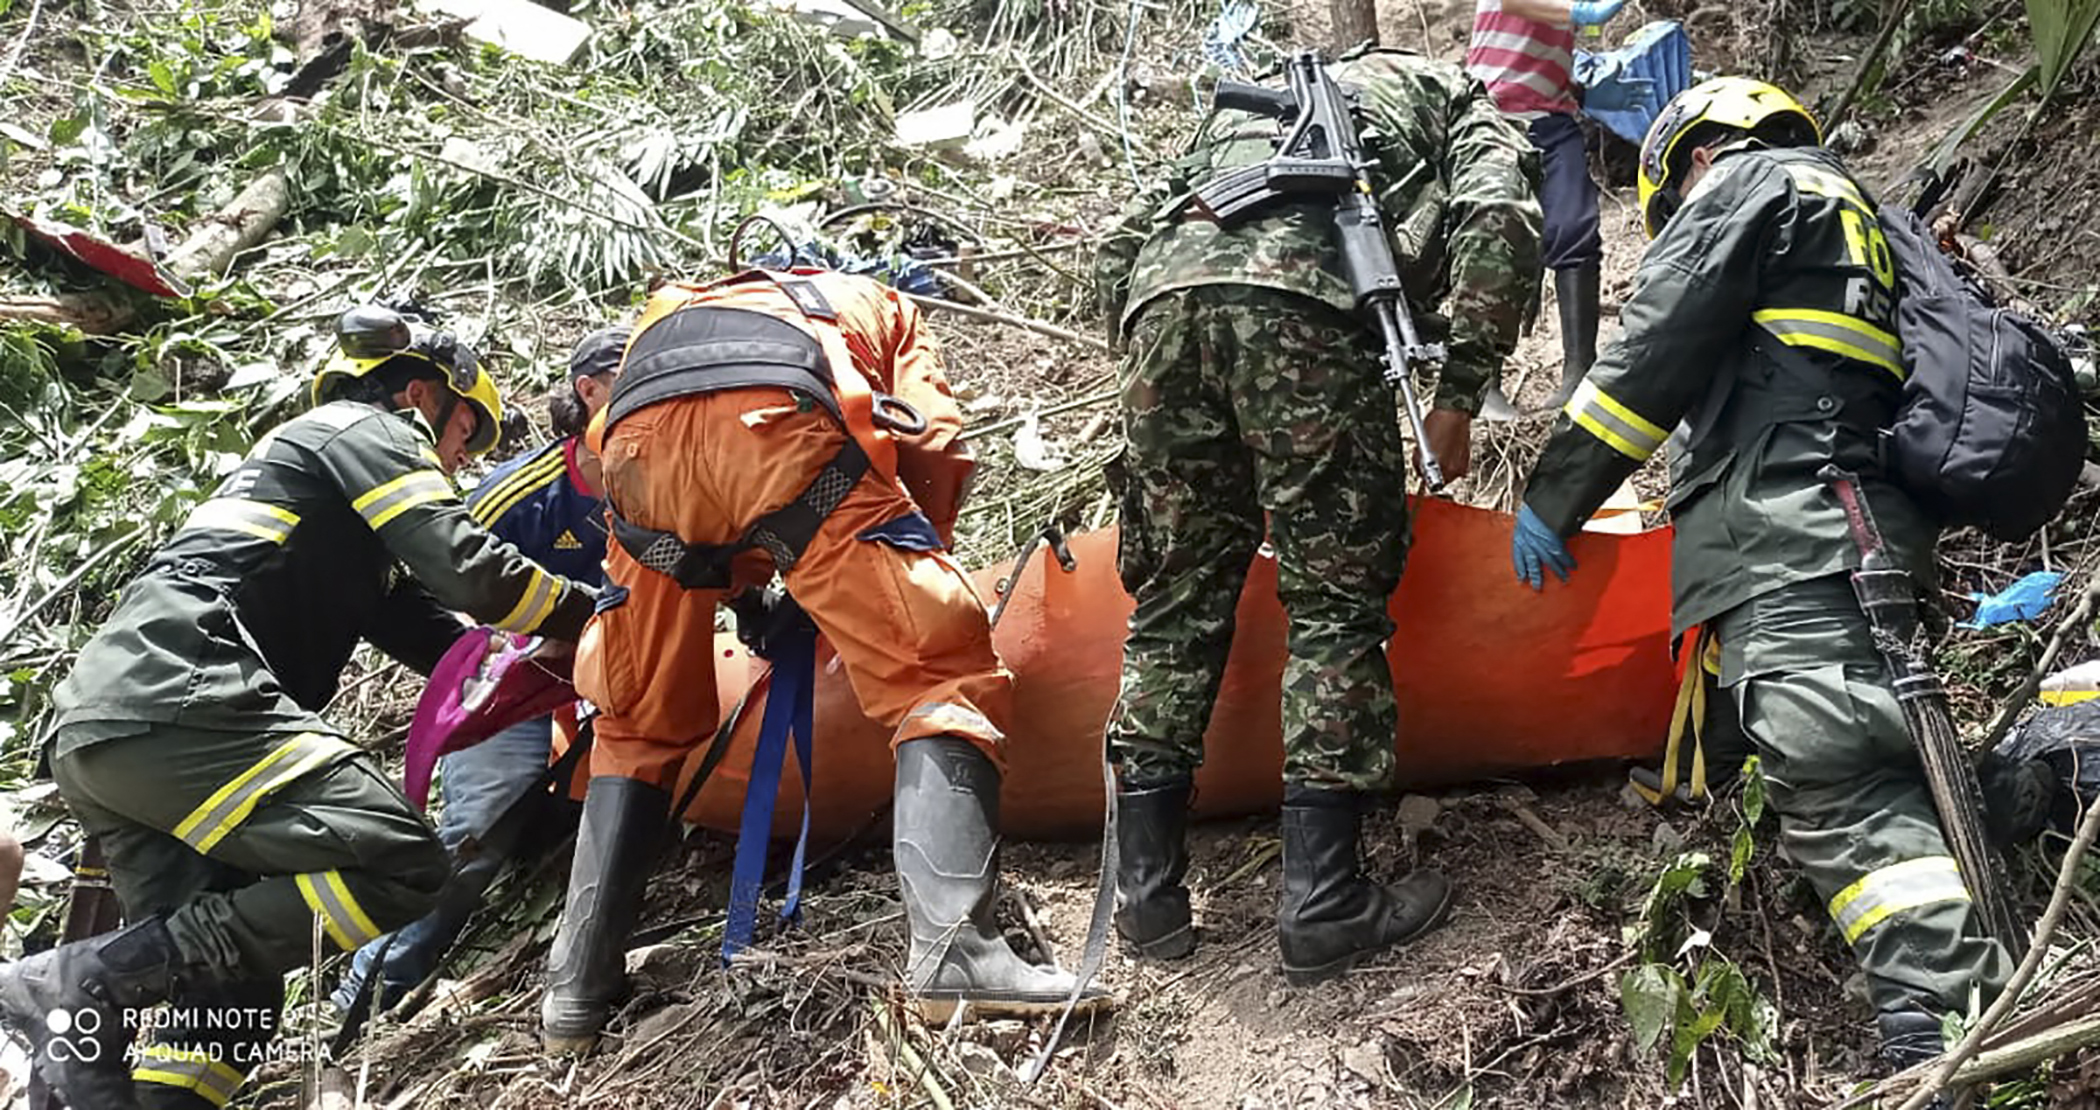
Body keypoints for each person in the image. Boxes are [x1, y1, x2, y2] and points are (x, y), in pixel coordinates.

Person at [1509, 77, 2013, 1071]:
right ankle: (2025, 798)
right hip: (1870, 534)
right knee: (1878, 741)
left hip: (1795, 537)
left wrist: (1553, 495)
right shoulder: (1855, 214)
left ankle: (1946, 1020)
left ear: (1701, 155)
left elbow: (1652, 353)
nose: (1671, 227)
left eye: (1666, 212)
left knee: (1839, 781)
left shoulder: (1750, 187)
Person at [0, 306, 597, 1110]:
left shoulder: (337, 524)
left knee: (229, 1007)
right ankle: (77, 978)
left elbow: (454, 650)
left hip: (113, 725)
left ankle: (94, 1030)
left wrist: (558, 674)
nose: (457, 466)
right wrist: (597, 615)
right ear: (424, 396)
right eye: (463, 441)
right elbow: (471, 573)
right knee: (401, 856)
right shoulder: (361, 426)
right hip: (187, 693)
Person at [540, 266, 1100, 1054]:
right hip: (778, 430)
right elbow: (931, 442)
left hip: (638, 464)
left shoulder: (674, 306)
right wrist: (906, 570)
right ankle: (955, 956)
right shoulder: (882, 307)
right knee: (936, 674)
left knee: (632, 721)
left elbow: (678, 463)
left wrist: (750, 584)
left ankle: (574, 991)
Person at [1093, 48, 1542, 982]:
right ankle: (1324, 899)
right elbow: (1497, 218)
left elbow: (1119, 243)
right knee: (1335, 605)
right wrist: (1460, 389)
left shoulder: (1248, 107)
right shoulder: (1453, 94)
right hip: (1310, 317)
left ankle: (1144, 899)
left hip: (1159, 314)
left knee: (1175, 601)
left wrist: (1147, 359)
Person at [332, 326, 628, 1014]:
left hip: (625, 683)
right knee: (478, 835)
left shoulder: (675, 480)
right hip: (524, 686)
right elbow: (441, 588)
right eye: (632, 384)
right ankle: (368, 992)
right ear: (589, 394)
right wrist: (524, 641)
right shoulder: (520, 495)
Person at [1466, 0, 1652, 415]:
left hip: (1552, 123)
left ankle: (1579, 372)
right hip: (1494, 122)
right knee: (1495, 242)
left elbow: (1539, 64)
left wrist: (1586, 93)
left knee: (1576, 231)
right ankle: (1484, 381)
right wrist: (1587, 14)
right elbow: (1572, 13)